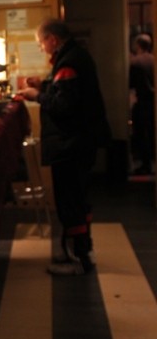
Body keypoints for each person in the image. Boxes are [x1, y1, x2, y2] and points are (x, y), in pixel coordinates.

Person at [18, 18, 110, 276]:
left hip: (71, 144)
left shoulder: (68, 62)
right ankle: (81, 250)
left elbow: (63, 106)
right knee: (79, 200)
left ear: (52, 40)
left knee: (70, 202)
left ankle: (77, 259)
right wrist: (45, 86)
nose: (41, 48)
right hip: (81, 142)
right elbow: (69, 93)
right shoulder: (76, 56)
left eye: (41, 43)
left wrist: (37, 96)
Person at [128, 33, 154, 175]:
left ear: (138, 45)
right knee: (151, 132)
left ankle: (145, 164)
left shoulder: (135, 62)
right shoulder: (153, 60)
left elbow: (130, 83)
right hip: (153, 100)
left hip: (142, 100)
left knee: (141, 133)